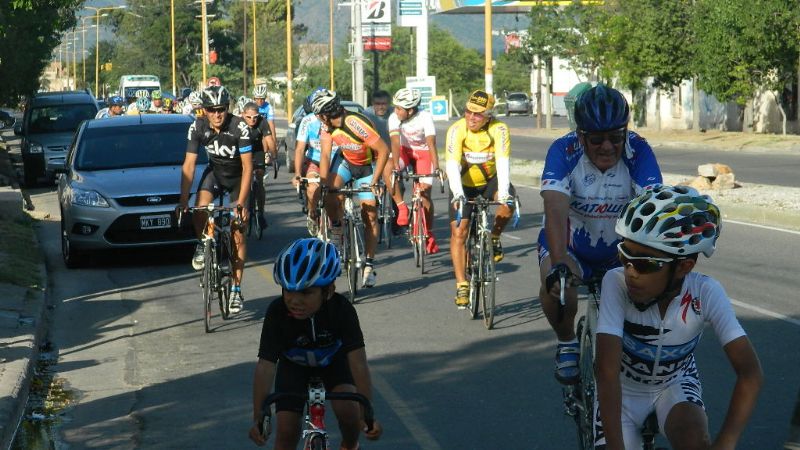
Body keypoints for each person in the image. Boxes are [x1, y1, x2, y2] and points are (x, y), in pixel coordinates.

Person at [595, 184, 763, 450]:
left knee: (695, 441)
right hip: (623, 390)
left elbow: (750, 373)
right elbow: (606, 371)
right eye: (624, 255)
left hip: (674, 384)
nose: (630, 271)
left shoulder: (706, 292)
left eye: (645, 263)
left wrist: (726, 443)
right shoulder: (614, 282)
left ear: (684, 266)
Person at [537, 84, 663, 385]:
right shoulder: (563, 150)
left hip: (620, 251)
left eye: (615, 137)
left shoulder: (638, 150)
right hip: (572, 246)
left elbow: (653, 210)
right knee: (559, 285)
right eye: (596, 139)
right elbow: (555, 209)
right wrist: (558, 263)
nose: (607, 146)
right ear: (581, 136)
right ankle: (566, 340)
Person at [248, 238, 383, 449]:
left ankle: (349, 445)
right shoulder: (277, 312)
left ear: (328, 291)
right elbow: (265, 366)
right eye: (288, 291)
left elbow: (357, 362)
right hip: (294, 367)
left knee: (349, 412)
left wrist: (367, 412)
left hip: (333, 363)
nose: (295, 300)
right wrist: (259, 416)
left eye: (306, 292)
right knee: (286, 431)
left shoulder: (342, 310)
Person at [179, 85, 253, 314]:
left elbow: (248, 167)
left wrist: (240, 203)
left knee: (237, 230)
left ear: (227, 108)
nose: (217, 114)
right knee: (199, 207)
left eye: (221, 109)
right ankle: (203, 244)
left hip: (238, 177)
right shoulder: (197, 126)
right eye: (211, 110)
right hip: (215, 174)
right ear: (204, 111)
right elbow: (189, 165)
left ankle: (236, 289)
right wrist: (183, 201)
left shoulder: (239, 126)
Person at [445, 89, 516, 308]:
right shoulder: (457, 129)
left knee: (509, 201)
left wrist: (503, 194)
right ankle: (462, 285)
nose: (471, 117)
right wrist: (457, 193)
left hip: (490, 182)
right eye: (468, 112)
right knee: (459, 231)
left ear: (489, 115)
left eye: (478, 114)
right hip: (464, 185)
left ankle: (494, 236)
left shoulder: (499, 129)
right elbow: (451, 165)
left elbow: (503, 163)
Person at [314, 89, 390, 288]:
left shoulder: (355, 123)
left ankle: (369, 264)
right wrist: (323, 183)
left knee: (370, 214)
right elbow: (324, 156)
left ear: (325, 114)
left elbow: (383, 150)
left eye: (319, 116)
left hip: (367, 167)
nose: (320, 120)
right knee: (330, 193)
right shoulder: (327, 127)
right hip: (346, 162)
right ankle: (337, 228)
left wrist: (374, 181)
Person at [388, 88, 441, 253]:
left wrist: (437, 167)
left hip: (423, 153)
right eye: (395, 107)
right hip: (404, 151)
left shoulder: (425, 117)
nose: (395, 111)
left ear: (410, 110)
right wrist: (396, 165)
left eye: (399, 108)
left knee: (425, 194)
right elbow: (395, 143)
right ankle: (402, 207)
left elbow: (431, 143)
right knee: (388, 167)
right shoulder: (393, 118)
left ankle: (428, 231)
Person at [292, 89, 329, 236]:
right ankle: (312, 212)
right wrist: (297, 173)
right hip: (315, 159)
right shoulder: (307, 121)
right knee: (313, 188)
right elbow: (300, 149)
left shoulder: (336, 118)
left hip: (334, 159)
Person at [241, 101, 277, 228]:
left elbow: (269, 140)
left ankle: (260, 212)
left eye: (255, 117)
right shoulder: (238, 123)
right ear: (243, 115)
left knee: (259, 178)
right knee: (243, 177)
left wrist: (274, 157)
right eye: (249, 117)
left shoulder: (262, 121)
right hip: (242, 151)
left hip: (257, 151)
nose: (252, 120)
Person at [252, 84, 277, 150]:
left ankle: (266, 154)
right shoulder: (251, 105)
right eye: (257, 99)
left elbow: (271, 124)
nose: (260, 101)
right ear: (254, 98)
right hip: (252, 128)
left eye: (262, 99)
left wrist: (274, 141)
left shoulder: (268, 107)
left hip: (263, 129)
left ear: (265, 98)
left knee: (265, 138)